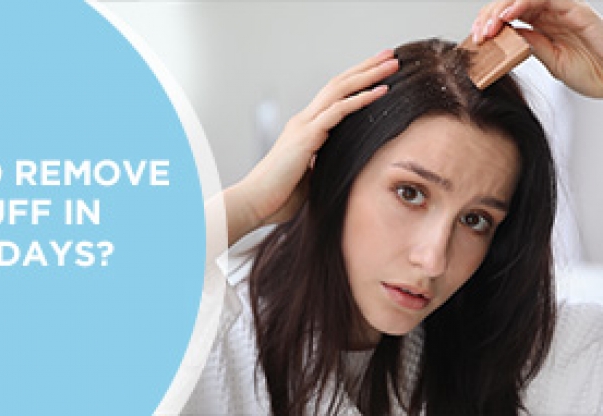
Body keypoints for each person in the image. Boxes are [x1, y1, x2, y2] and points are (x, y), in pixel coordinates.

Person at [174, 1, 603, 415]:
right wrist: (247, 204)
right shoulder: (206, 341)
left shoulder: (509, 355)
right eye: (410, 193)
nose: (433, 259)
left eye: (475, 220)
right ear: (337, 171)